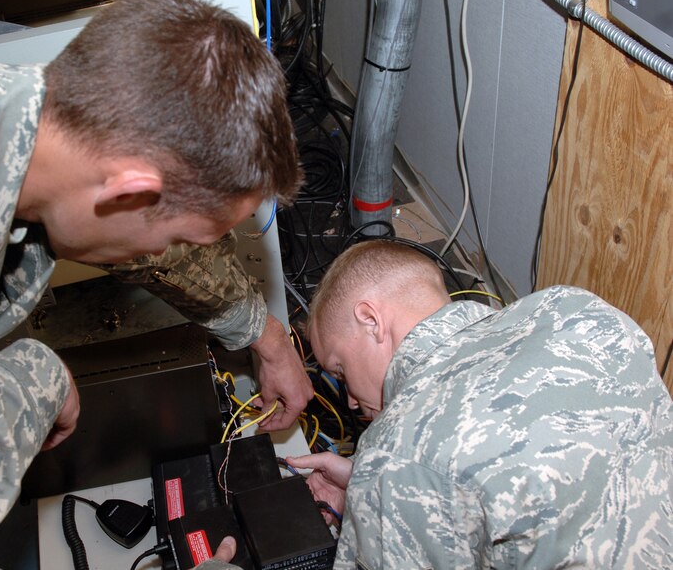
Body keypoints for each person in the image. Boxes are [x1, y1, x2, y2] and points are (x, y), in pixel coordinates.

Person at [0, 0, 310, 568]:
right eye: (181, 236)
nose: (169, 252)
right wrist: (30, 384)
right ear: (126, 194)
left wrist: (265, 335)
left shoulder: (14, 116)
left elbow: (141, 246)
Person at [281, 240, 672, 569]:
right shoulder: (573, 309)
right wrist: (372, 490)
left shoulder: (398, 451)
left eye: (341, 370)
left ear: (372, 320)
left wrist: (381, 485)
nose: (350, 400)